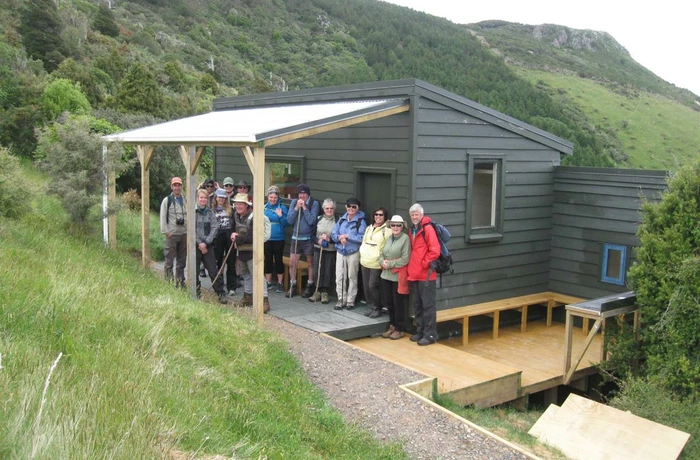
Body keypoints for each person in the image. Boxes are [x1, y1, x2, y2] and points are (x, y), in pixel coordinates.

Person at [407, 203, 441, 346]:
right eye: (412, 214)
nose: (415, 217)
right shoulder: (413, 230)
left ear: (422, 215)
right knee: (417, 305)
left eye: (417, 214)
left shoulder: (427, 229)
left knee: (428, 305)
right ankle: (420, 332)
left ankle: (430, 334)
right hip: (414, 274)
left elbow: (435, 250)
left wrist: (424, 263)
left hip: (426, 275)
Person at [230, 193, 270, 313]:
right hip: (241, 251)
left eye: (241, 204)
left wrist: (237, 238)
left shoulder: (254, 218)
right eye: (237, 204)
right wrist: (232, 235)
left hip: (254, 252)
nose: (238, 206)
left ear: (247, 206)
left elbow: (254, 236)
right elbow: (233, 230)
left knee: (258, 276)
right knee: (246, 275)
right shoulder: (236, 216)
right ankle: (248, 297)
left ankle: (264, 301)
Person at [331, 197, 367, 309]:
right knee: (340, 277)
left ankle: (350, 300)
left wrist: (348, 236)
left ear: (357, 208)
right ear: (346, 207)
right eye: (349, 206)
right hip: (341, 251)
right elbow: (333, 234)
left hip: (353, 252)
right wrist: (339, 238)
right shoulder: (341, 220)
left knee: (352, 276)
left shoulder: (361, 221)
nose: (351, 208)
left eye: (354, 207)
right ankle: (341, 299)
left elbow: (362, 238)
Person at [286, 184, 320, 298]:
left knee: (310, 262)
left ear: (308, 194)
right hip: (295, 237)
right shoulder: (294, 202)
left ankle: (310, 285)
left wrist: (304, 207)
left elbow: (311, 221)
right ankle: (293, 284)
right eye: (300, 193)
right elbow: (289, 220)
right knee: (292, 263)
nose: (302, 195)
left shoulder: (313, 203)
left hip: (308, 238)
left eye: (304, 193)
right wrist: (296, 208)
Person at [379, 215, 411, 340]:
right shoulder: (388, 238)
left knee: (398, 303)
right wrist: (382, 262)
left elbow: (405, 259)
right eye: (393, 225)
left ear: (402, 227)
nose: (396, 227)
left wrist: (390, 264)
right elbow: (382, 253)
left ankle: (399, 328)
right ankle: (392, 325)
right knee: (389, 302)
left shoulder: (405, 239)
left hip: (397, 276)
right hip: (386, 275)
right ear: (390, 226)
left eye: (398, 225)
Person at [194, 188, 227, 304]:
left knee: (213, 271)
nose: (203, 200)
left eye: (205, 198)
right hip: (195, 246)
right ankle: (195, 292)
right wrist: (199, 243)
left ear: (207, 199)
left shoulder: (210, 213)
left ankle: (220, 293)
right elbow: (190, 230)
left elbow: (215, 228)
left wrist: (206, 243)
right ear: (197, 199)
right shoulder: (193, 212)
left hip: (208, 246)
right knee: (195, 271)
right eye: (201, 197)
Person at [360, 207, 390, 318]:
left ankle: (378, 308)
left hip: (376, 264)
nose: (378, 216)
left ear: (385, 217)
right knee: (366, 287)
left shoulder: (386, 230)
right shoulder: (369, 228)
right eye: (376, 214)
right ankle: (372, 307)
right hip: (364, 261)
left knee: (373, 286)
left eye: (381, 215)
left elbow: (388, 246)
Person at [160, 177, 187, 288]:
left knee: (182, 261)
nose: (177, 187)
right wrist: (166, 232)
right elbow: (162, 217)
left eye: (179, 185)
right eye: (175, 185)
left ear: (181, 186)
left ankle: (180, 282)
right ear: (171, 186)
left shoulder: (185, 200)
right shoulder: (167, 200)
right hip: (172, 234)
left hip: (184, 234)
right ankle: (169, 283)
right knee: (169, 260)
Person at [309, 198, 337, 304]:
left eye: (331, 208)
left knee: (327, 270)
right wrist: (318, 240)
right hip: (318, 248)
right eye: (327, 208)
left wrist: (330, 239)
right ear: (323, 209)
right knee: (317, 269)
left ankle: (325, 292)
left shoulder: (337, 220)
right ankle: (317, 290)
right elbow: (312, 235)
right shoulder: (318, 219)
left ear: (334, 209)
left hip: (330, 249)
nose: (329, 210)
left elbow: (337, 237)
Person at [264, 186, 289, 293]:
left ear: (278, 197)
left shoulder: (282, 208)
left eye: (275, 197)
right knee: (268, 259)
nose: (273, 199)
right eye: (271, 197)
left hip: (279, 238)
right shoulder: (264, 208)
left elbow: (287, 223)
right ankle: (268, 282)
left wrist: (280, 216)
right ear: (268, 197)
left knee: (278, 260)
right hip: (266, 238)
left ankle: (279, 283)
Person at [212, 188, 237, 296]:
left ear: (225, 198)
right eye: (219, 197)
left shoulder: (231, 209)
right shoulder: (212, 210)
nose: (221, 199)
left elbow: (234, 223)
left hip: (228, 234)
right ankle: (219, 285)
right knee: (218, 261)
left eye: (223, 197)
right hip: (217, 236)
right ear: (216, 198)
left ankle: (232, 286)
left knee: (231, 260)